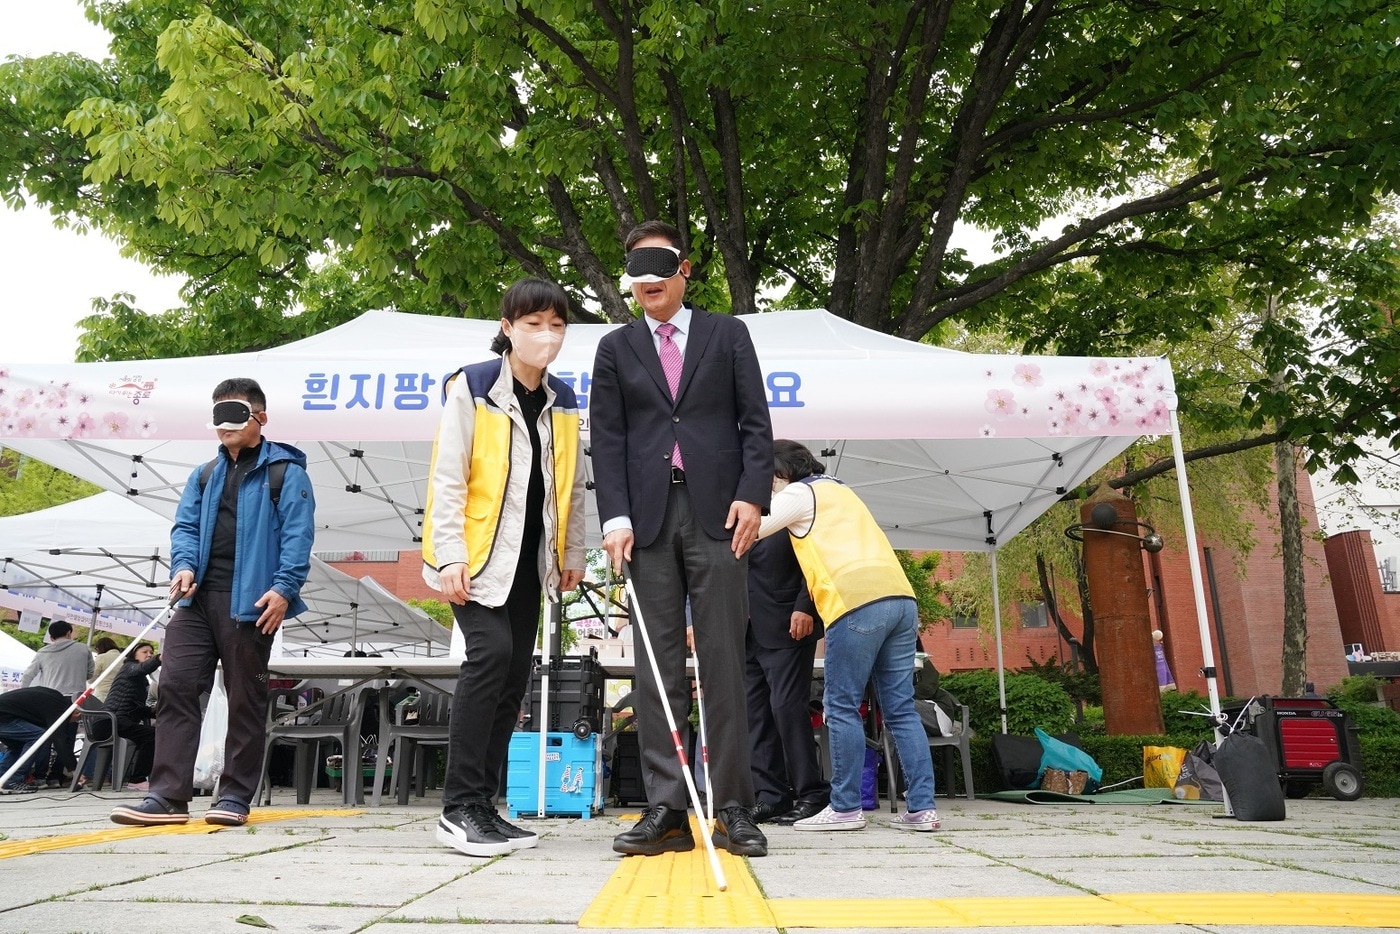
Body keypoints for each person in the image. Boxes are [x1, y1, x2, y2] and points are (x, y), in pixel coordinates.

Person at [591, 220, 775, 858]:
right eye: (636, 271)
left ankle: (733, 809)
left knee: (725, 660)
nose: (648, 282)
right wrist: (613, 517)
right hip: (645, 520)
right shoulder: (615, 349)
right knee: (654, 670)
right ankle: (666, 810)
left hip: (719, 514)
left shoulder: (728, 334)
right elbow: (608, 439)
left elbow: (756, 423)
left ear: (684, 269)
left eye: (659, 267)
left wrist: (754, 495)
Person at [422, 278, 587, 858]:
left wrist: (572, 555)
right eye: (534, 324)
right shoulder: (474, 386)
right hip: (474, 558)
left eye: (557, 325)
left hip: (531, 560)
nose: (547, 335)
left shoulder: (564, 400)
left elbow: (572, 487)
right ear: (507, 328)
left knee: (515, 672)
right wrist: (448, 555)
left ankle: (484, 806)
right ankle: (458, 807)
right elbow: (448, 475)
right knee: (489, 656)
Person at [111, 377, 315, 827]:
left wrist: (283, 590)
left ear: (259, 417)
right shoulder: (203, 474)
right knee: (176, 687)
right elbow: (184, 527)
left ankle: (235, 797)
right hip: (195, 601)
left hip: (253, 603)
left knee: (245, 699)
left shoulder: (287, 473)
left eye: (235, 414)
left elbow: (299, 539)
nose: (223, 425)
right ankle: (167, 797)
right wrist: (182, 566)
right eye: (218, 415)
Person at [757, 440, 940, 832]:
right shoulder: (842, 489)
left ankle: (844, 809)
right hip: (901, 600)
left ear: (779, 473)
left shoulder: (797, 493)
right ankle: (922, 810)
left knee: (839, 706)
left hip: (855, 602)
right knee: (901, 710)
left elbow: (754, 531)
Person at [745, 534, 829, 825]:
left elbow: (815, 559)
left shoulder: (791, 505)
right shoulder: (728, 516)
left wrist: (806, 605)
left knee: (786, 708)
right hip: (744, 631)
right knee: (754, 714)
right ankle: (771, 797)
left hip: (788, 625)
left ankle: (813, 793)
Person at [21, 621, 92, 786]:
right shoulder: (84, 649)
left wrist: (24, 693)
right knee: (67, 739)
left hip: (48, 699)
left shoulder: (43, 651)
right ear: (69, 632)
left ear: (51, 637)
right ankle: (56, 776)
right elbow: (89, 673)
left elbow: (27, 675)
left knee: (46, 736)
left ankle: (40, 776)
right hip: (74, 699)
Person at [97, 643, 160, 790]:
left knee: (153, 734)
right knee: (153, 735)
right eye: (145, 652)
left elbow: (135, 707)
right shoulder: (129, 667)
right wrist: (159, 658)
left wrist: (154, 711)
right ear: (133, 654)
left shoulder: (140, 679)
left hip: (118, 720)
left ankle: (136, 777)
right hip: (110, 721)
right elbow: (142, 668)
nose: (149, 654)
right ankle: (137, 779)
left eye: (151, 652)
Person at [0, 686, 75, 793]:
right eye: (76, 720)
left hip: (5, 713)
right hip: (3, 715)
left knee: (17, 745)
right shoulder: (59, 708)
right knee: (39, 737)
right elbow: (59, 739)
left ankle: (3, 779)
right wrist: (74, 769)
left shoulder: (55, 698)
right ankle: (13, 780)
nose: (72, 723)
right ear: (77, 712)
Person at [90, 637, 123, 703]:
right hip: (119, 695)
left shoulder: (102, 657)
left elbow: (91, 679)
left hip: (102, 695)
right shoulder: (125, 659)